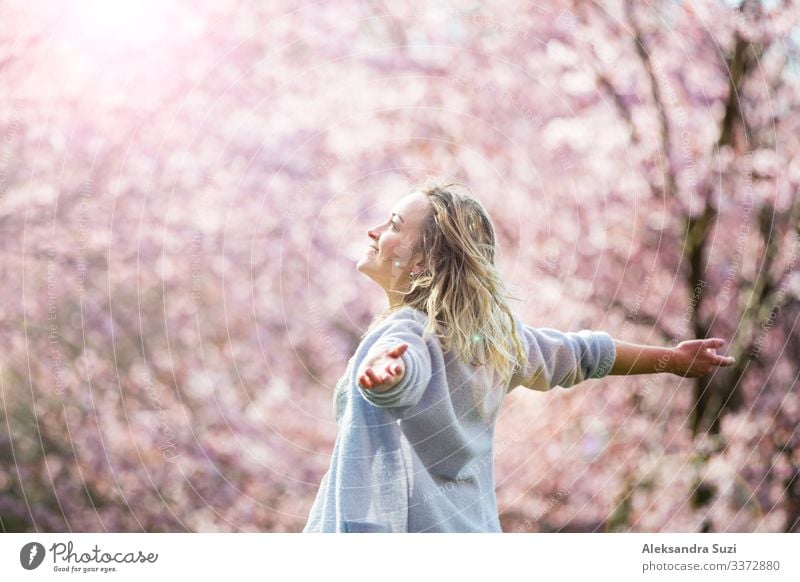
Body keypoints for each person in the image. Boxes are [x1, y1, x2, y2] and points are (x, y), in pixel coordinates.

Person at [302, 179, 736, 533]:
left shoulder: (404, 332)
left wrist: (390, 376)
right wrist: (671, 360)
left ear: (422, 265)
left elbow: (407, 372)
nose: (374, 231)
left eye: (394, 224)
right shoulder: (493, 342)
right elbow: (581, 354)